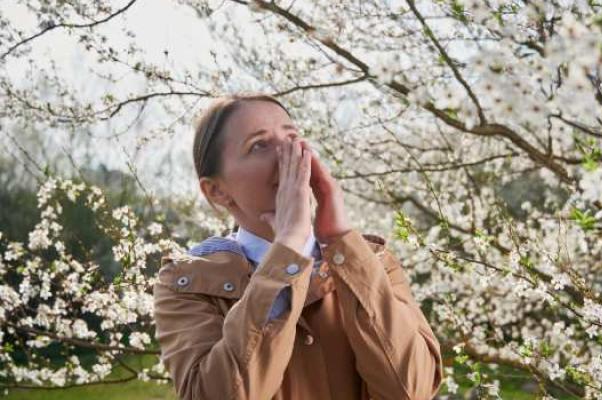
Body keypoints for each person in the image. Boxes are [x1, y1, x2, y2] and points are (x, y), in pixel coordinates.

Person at [152, 93, 443, 399]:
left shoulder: (374, 262)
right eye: (259, 145)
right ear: (217, 191)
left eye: (292, 136)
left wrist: (339, 236)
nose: (290, 151)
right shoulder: (187, 284)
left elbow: (412, 389)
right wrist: (287, 250)